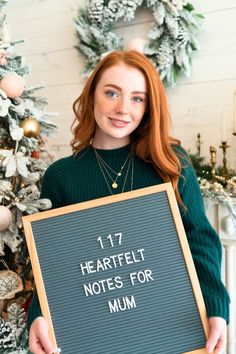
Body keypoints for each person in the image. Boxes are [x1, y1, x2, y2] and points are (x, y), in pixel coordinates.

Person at [27, 50, 230, 354]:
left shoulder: (172, 164)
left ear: (149, 107)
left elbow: (200, 239)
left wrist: (216, 307)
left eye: (137, 98)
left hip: (168, 332)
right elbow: (52, 265)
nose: (123, 108)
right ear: (92, 95)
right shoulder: (61, 176)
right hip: (92, 337)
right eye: (112, 93)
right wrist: (38, 316)